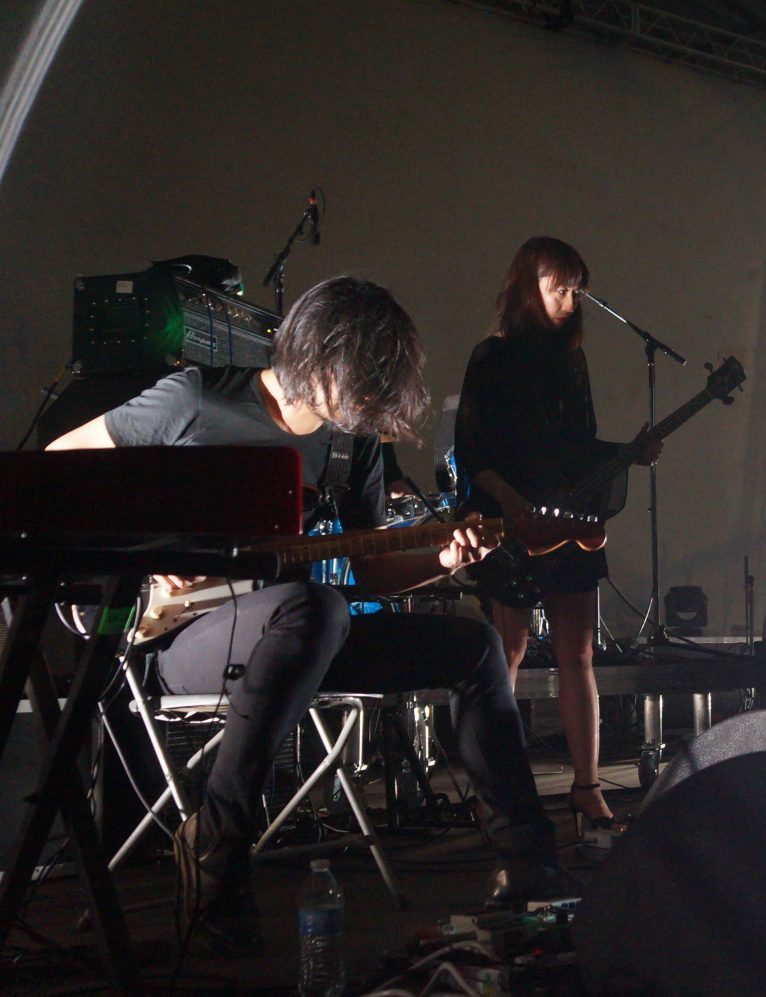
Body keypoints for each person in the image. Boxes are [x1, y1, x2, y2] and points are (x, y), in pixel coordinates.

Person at [47, 276, 558, 957]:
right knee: (316, 606)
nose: (368, 403)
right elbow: (58, 469)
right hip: (177, 636)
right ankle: (218, 843)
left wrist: (445, 558)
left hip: (301, 638)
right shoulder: (195, 399)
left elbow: (374, 571)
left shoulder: (350, 443)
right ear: (320, 355)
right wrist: (148, 552)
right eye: (363, 382)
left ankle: (531, 865)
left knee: (473, 644)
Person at [454, 236, 660, 833]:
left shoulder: (572, 360)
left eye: (576, 291)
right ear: (528, 287)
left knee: (579, 653)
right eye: (559, 289)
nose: (571, 302)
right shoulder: (491, 357)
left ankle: (587, 789)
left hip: (568, 517)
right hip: (510, 519)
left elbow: (579, 446)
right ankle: (494, 789)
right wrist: (510, 501)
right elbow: (473, 449)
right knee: (509, 650)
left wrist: (629, 453)